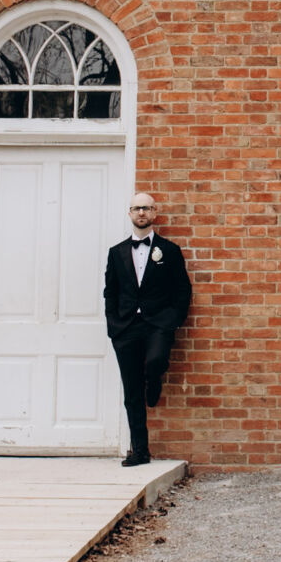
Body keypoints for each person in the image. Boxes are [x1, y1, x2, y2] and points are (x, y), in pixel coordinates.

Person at [104, 193, 191, 467]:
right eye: (136, 208)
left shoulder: (170, 250)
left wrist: (172, 320)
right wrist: (113, 326)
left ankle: (154, 379)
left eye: (146, 208)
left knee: (155, 361)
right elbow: (110, 292)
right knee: (132, 392)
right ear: (130, 213)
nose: (141, 212)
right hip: (125, 328)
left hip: (158, 325)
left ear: (154, 213)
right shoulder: (116, 252)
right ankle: (140, 451)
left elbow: (183, 290)